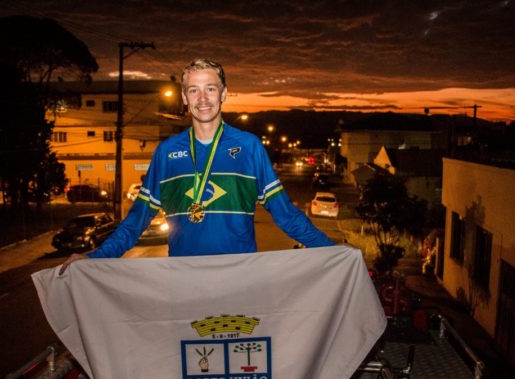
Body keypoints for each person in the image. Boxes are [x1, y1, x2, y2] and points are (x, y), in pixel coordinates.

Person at [60, 58, 333, 274]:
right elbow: (135, 222)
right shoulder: (166, 153)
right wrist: (94, 257)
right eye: (194, 90)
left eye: (210, 89)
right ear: (184, 98)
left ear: (224, 93)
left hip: (241, 278)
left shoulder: (250, 147)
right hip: (183, 280)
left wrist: (332, 251)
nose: (202, 98)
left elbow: (286, 215)